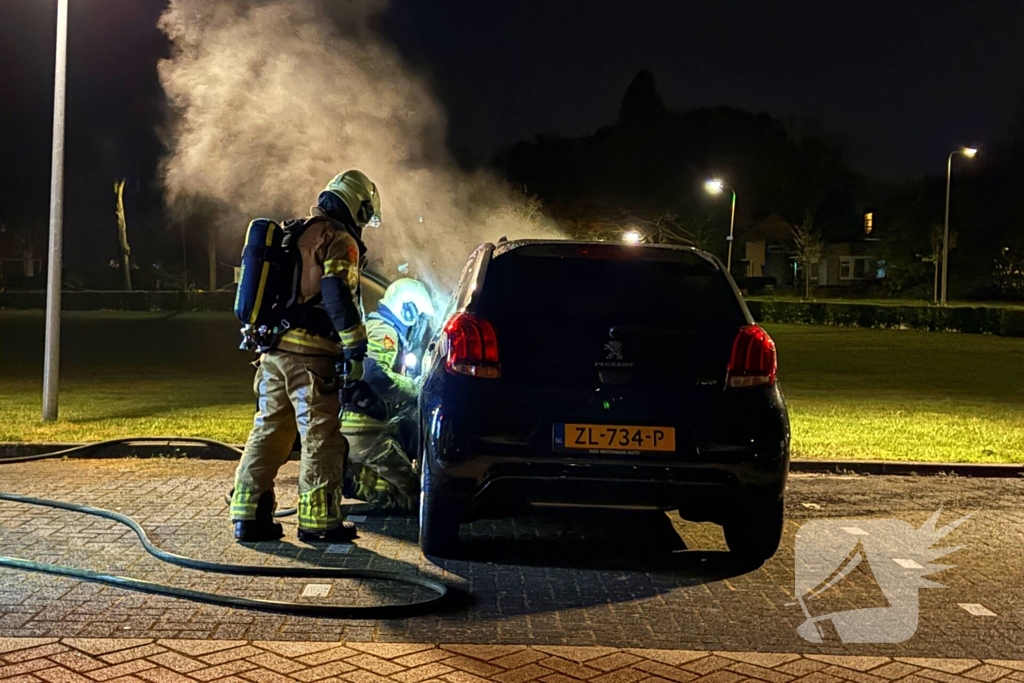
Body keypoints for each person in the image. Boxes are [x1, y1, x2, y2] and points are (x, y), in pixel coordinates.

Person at [230, 170, 381, 543]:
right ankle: (318, 522)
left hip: (274, 353)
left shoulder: (297, 232)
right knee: (320, 437)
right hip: (312, 359)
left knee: (269, 430)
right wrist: (356, 347)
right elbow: (336, 294)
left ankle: (248, 516)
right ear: (357, 205)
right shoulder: (339, 239)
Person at [342, 278, 435, 512]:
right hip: (366, 430)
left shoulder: (375, 326)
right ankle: (350, 478)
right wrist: (415, 387)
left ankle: (348, 471)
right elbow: (375, 374)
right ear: (408, 310)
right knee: (415, 499)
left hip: (361, 426)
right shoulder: (386, 332)